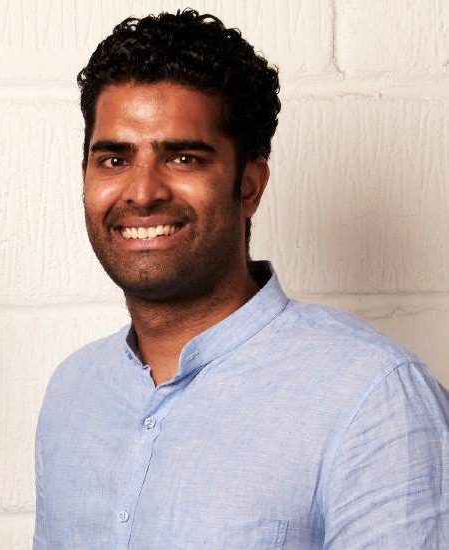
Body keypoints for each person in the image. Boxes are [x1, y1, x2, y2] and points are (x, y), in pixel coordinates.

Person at [34, 9, 448, 549]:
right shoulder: (74, 392)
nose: (142, 192)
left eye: (183, 157)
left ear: (249, 185)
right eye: (114, 159)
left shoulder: (374, 399)